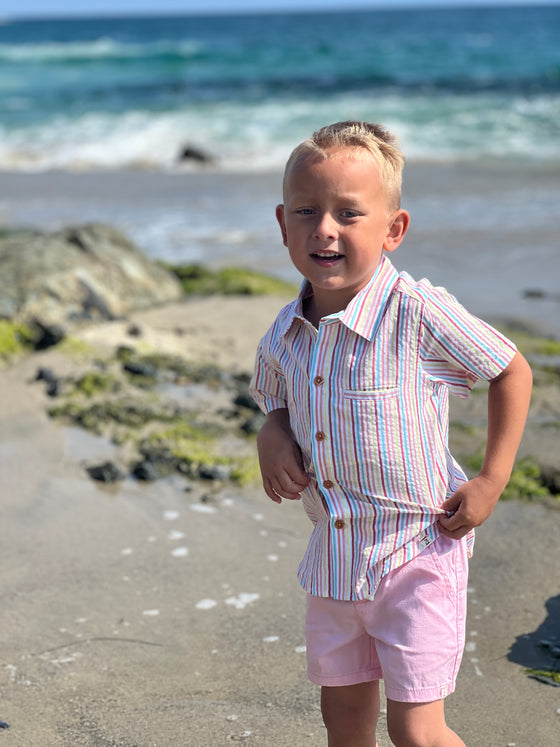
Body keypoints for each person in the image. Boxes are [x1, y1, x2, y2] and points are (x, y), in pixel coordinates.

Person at [249, 121, 532, 746]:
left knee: (417, 733)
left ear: (392, 229)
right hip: (334, 559)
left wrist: (492, 478)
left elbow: (510, 369)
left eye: (349, 214)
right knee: (343, 722)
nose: (325, 229)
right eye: (307, 211)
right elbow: (275, 399)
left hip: (418, 553)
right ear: (283, 224)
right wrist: (272, 431)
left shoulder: (417, 312)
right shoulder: (286, 330)